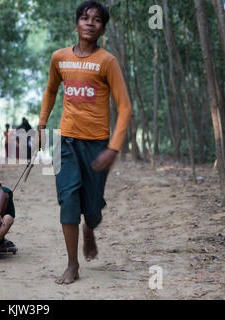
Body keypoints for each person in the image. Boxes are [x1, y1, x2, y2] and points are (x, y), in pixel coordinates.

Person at [36, 1, 131, 284]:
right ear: (76, 23)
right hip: (65, 141)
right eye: (85, 17)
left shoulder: (107, 62)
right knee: (67, 200)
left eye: (97, 20)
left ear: (103, 28)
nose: (90, 23)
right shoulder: (59, 58)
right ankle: (72, 264)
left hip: (97, 145)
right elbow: (51, 90)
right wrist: (42, 124)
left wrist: (113, 148)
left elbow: (124, 107)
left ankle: (90, 228)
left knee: (92, 209)